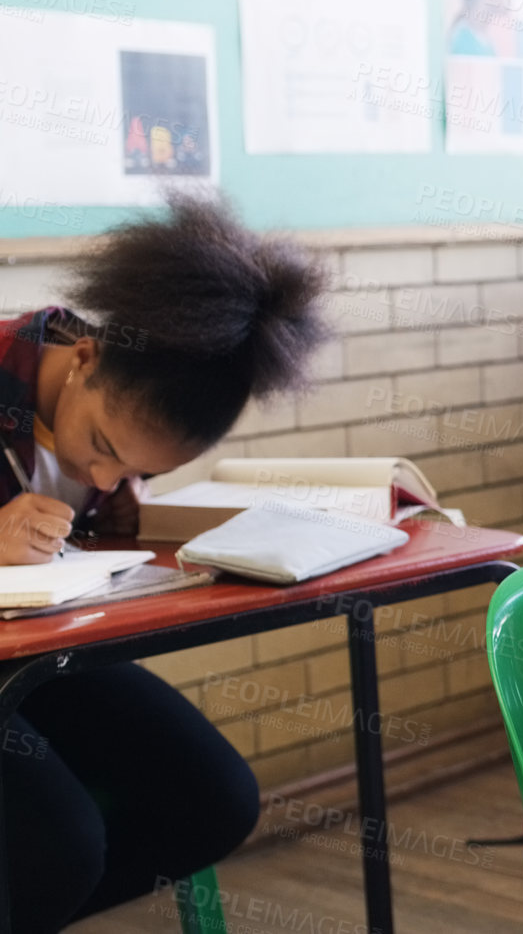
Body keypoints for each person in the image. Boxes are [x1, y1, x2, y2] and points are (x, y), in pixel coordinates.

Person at [0, 190, 329, 932]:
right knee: (61, 847)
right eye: (108, 452)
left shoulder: (109, 423)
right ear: (83, 357)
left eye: (138, 471)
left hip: (37, 656)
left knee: (215, 803)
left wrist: (125, 504)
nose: (104, 481)